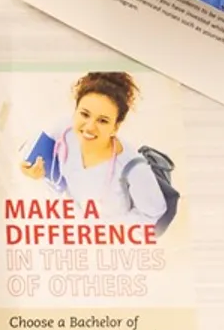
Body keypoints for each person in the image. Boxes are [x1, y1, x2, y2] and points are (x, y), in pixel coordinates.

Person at [21, 71, 168, 225]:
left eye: (103, 121)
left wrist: (104, 233)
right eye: (84, 114)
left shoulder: (133, 167)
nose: (90, 127)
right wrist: (30, 170)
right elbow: (38, 158)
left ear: (115, 127)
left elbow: (152, 214)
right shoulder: (64, 131)